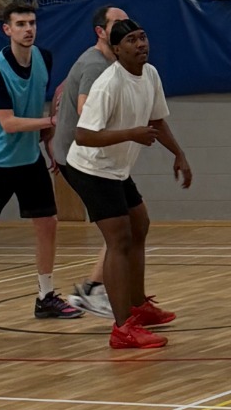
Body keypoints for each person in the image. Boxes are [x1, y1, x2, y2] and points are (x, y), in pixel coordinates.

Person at [0, 0, 80, 334]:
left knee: (48, 222)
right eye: (21, 24)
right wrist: (51, 122)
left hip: (28, 158)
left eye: (32, 23)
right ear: (7, 29)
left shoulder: (44, 58)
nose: (28, 30)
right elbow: (9, 123)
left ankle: (45, 297)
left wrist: (49, 142)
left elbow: (37, 105)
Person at [66, 18, 191, 349]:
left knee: (140, 224)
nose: (141, 44)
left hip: (116, 168)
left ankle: (138, 305)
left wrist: (178, 153)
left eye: (143, 37)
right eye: (132, 40)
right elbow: (83, 135)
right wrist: (130, 134)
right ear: (117, 49)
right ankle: (123, 328)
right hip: (90, 168)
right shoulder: (109, 84)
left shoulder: (150, 74)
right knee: (119, 239)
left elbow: (156, 119)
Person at [52, 0, 130, 317]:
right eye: (118, 23)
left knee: (134, 221)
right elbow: (86, 109)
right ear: (101, 31)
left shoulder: (117, 62)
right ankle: (94, 290)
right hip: (80, 160)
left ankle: (99, 288)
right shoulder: (96, 65)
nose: (127, 28)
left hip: (98, 157)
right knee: (119, 229)